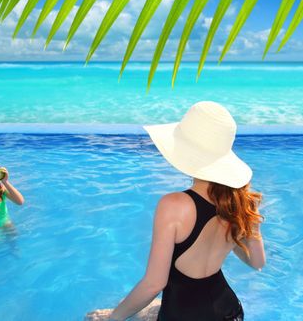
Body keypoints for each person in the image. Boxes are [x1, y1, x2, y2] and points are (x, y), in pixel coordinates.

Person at [87, 101, 266, 321]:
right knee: (151, 309)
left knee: (96, 317)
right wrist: (234, 232)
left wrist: (113, 318)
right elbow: (257, 263)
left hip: (182, 315)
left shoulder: (174, 205)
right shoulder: (240, 203)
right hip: (230, 311)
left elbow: (154, 283)